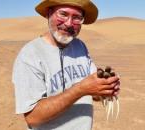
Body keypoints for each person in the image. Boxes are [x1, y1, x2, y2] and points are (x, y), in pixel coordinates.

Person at [12, 0, 120, 130]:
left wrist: (104, 89)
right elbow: (33, 117)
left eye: (77, 18)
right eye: (63, 14)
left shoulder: (80, 46)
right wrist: (81, 89)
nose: (69, 23)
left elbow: (93, 93)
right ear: (49, 14)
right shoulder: (30, 55)